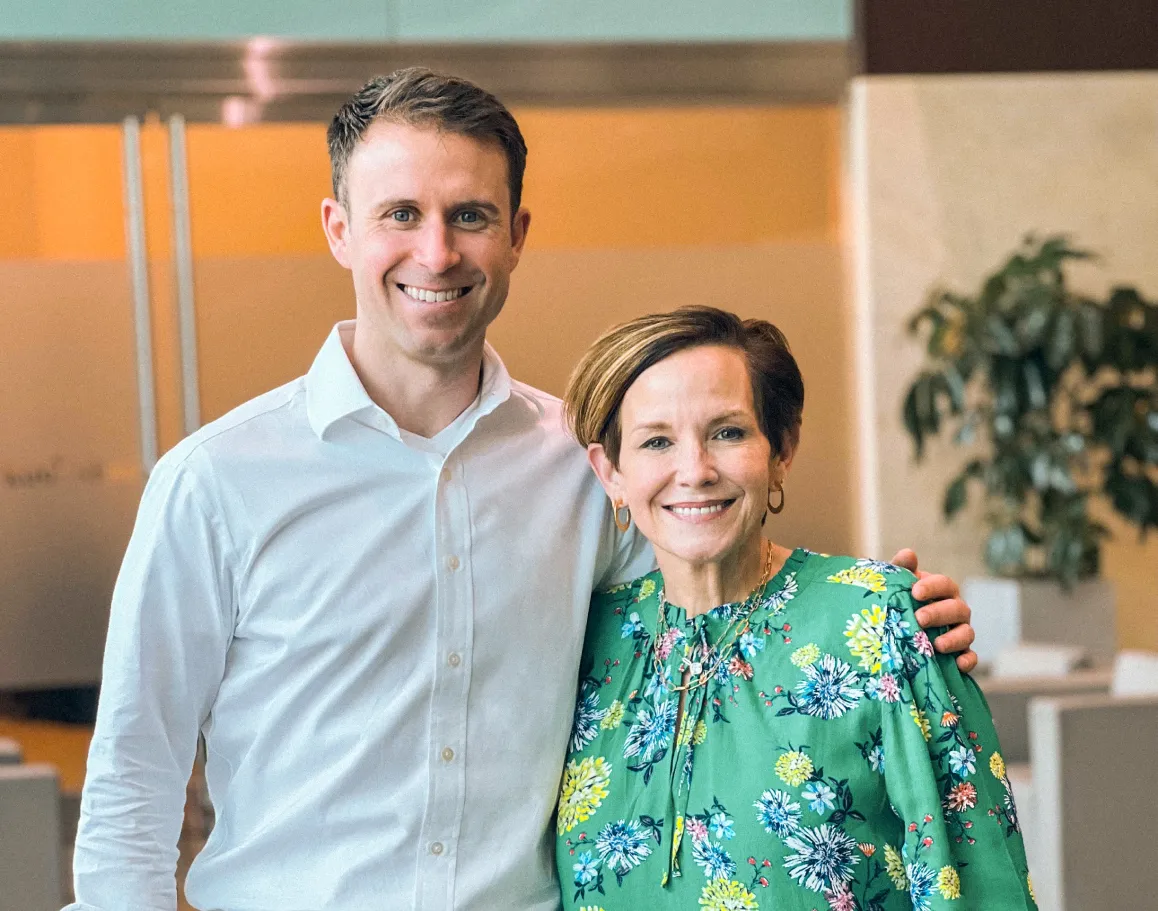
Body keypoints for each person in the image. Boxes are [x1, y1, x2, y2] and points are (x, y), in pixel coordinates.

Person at [68, 70, 977, 911]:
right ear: (339, 228)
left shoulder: (586, 467)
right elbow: (132, 780)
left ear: (516, 236)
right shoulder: (216, 481)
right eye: (399, 213)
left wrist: (884, 627)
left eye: (469, 214)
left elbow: (715, 608)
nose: (436, 250)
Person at [555, 306, 1034, 910]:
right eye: (656, 441)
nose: (695, 471)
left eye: (727, 432)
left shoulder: (879, 621)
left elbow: (973, 881)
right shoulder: (585, 640)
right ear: (612, 472)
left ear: (781, 449)